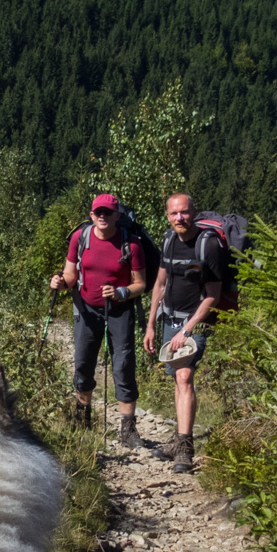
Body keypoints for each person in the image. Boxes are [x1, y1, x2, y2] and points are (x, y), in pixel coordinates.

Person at [49, 193, 148, 447]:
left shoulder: (132, 245)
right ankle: (83, 420)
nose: (102, 216)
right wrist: (60, 283)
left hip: (119, 311)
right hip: (86, 310)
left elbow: (140, 284)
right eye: (98, 212)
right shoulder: (80, 238)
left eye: (108, 212)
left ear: (117, 215)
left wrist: (121, 292)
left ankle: (128, 429)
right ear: (91, 215)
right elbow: (71, 275)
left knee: (123, 367)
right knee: (83, 365)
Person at [145, 192, 225, 473]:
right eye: (174, 214)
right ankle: (181, 437)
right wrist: (151, 323)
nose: (179, 218)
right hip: (170, 319)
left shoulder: (209, 245)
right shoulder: (168, 240)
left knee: (184, 376)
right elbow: (160, 283)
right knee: (177, 381)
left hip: (196, 322)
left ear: (194, 212)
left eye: (184, 212)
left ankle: (185, 449)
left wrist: (187, 330)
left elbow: (212, 296)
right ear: (167, 216)